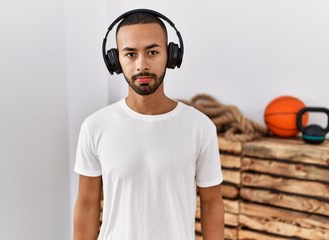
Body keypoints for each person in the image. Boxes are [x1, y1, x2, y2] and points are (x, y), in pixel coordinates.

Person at [73, 9, 224, 240]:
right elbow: (86, 206)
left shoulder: (200, 127)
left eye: (152, 52)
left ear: (171, 55)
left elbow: (212, 203)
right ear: (115, 60)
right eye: (130, 54)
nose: (141, 65)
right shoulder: (94, 127)